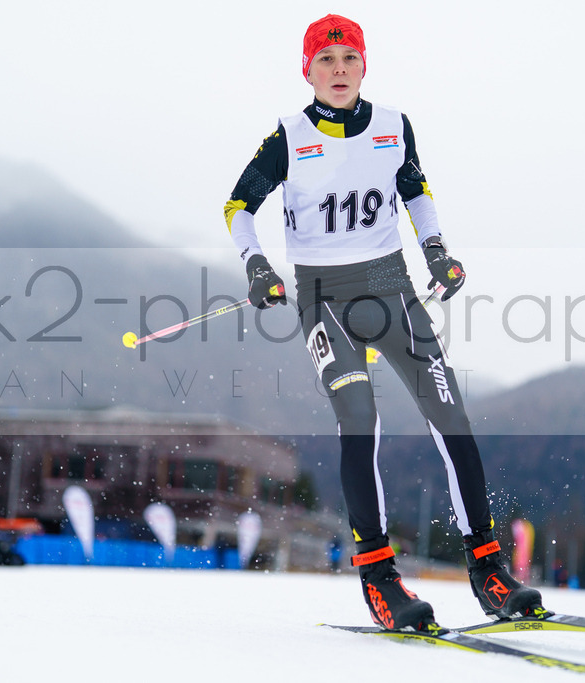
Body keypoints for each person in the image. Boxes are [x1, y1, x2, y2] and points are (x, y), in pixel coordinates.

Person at [224, 14, 547, 630]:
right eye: (326, 61)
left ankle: (489, 570)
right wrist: (257, 264)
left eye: (349, 60)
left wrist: (437, 252)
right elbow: (238, 206)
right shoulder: (288, 137)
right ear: (307, 70)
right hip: (324, 298)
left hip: (392, 289)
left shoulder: (394, 126)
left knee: (450, 413)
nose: (338, 71)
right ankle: (379, 577)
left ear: (364, 65)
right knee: (359, 420)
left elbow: (416, 191)